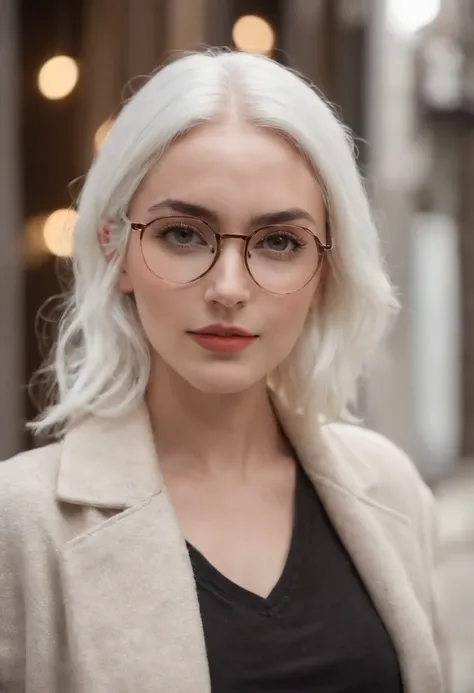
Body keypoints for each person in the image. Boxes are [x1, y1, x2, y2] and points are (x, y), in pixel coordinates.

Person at [0, 49, 447, 693]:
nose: (229, 288)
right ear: (116, 248)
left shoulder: (390, 490)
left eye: (279, 242)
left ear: (326, 271)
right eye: (184, 234)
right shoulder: (22, 526)